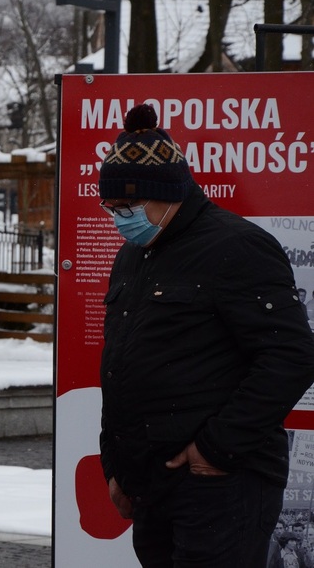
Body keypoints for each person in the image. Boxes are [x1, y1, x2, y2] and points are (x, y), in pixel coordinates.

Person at [98, 103, 314, 567]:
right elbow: (119, 365)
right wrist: (116, 467)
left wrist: (215, 449)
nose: (118, 218)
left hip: (221, 486)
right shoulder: (134, 254)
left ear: (168, 192)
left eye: (127, 207)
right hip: (150, 485)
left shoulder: (237, 246)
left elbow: (291, 355)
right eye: (110, 208)